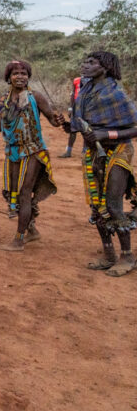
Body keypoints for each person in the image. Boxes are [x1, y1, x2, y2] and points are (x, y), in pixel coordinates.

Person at [56, 51, 137, 276]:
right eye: (85, 61)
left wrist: (105, 135)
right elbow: (80, 125)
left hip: (118, 150)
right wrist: (66, 125)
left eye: (92, 62)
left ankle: (128, 257)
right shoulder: (85, 91)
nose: (86, 65)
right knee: (96, 205)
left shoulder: (116, 93)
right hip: (92, 153)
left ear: (106, 67)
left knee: (112, 203)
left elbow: (135, 127)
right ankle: (108, 253)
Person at [0, 60, 58, 251]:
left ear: (28, 76)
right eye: (15, 73)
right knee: (14, 191)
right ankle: (32, 230)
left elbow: (52, 119)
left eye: (24, 73)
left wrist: (59, 120)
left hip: (33, 150)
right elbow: (3, 124)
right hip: (12, 151)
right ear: (8, 77)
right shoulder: (5, 100)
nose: (20, 76)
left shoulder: (35, 96)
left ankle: (19, 240)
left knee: (24, 192)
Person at [60, 74, 82, 158]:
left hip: (87, 108)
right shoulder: (76, 80)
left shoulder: (92, 81)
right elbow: (73, 94)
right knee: (73, 130)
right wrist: (70, 108)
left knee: (86, 131)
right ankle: (68, 151)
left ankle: (84, 152)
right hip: (76, 108)